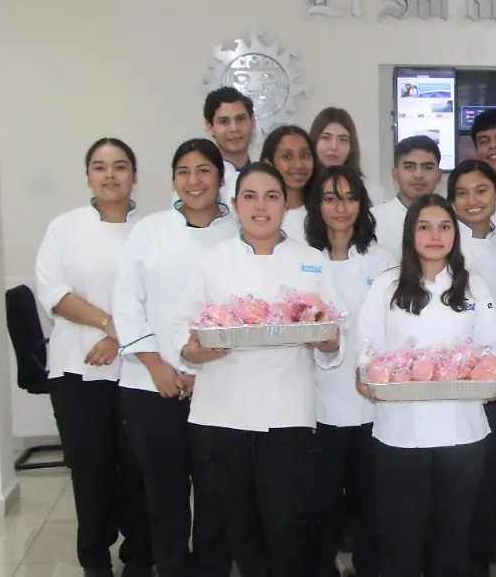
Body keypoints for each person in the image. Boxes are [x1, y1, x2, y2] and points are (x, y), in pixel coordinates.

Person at [171, 162, 344, 577]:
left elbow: (334, 333)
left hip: (288, 411)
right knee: (240, 525)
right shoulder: (212, 262)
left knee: (287, 524)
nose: (261, 206)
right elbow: (182, 330)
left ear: (287, 204)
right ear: (234, 204)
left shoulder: (312, 261)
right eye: (250, 196)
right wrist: (193, 352)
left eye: (272, 196)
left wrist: (327, 341)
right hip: (224, 412)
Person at [355, 194, 496, 577]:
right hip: (400, 434)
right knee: (400, 538)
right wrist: (367, 376)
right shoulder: (387, 286)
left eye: (444, 226)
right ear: (409, 235)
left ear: (455, 234)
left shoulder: (474, 288)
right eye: (424, 226)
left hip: (463, 432)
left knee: (454, 537)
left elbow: (490, 352)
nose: (435, 235)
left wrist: (489, 379)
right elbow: (367, 350)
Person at [113, 139, 237, 577]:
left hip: (220, 386)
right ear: (173, 180)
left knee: (215, 494)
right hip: (153, 384)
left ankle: (212, 568)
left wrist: (207, 371)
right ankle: (170, 568)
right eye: (183, 171)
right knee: (163, 494)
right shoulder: (149, 230)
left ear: (221, 178)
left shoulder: (240, 231)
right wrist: (158, 366)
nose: (194, 180)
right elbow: (127, 302)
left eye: (204, 170)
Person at [34, 137, 153, 577]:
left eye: (120, 166)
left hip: (140, 369)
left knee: (138, 469)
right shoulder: (64, 227)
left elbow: (157, 297)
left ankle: (141, 556)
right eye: (100, 167)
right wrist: (111, 326)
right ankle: (94, 558)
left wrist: (121, 339)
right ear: (88, 175)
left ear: (134, 175)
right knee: (91, 469)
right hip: (76, 369)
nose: (110, 175)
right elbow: (55, 294)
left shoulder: (151, 229)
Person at [303, 166, 394, 577]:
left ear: (362, 203)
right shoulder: (301, 260)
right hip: (315, 402)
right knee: (320, 505)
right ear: (316, 205)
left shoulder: (384, 260)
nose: (340, 207)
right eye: (329, 197)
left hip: (373, 405)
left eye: (349, 196)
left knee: (372, 504)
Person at [447, 159, 496, 577]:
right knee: (461, 474)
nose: (473, 201)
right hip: (455, 375)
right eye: (462, 193)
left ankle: (482, 553)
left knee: (491, 470)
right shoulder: (444, 241)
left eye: (481, 191)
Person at [372, 136, 444, 262]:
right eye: (409, 167)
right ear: (395, 174)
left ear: (439, 175)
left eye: (427, 167)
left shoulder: (451, 220)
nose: (418, 175)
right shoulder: (373, 220)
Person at [309, 106, 388, 205]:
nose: (334, 147)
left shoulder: (371, 191)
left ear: (352, 146)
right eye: (326, 138)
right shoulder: (301, 189)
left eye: (343, 140)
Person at [260, 125, 318, 242]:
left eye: (305, 155)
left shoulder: (326, 213)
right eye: (287, 156)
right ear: (268, 163)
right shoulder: (258, 215)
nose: (298, 165)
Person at [200, 86, 256, 205]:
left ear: (253, 122)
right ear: (210, 128)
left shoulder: (268, 178)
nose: (234, 129)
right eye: (224, 121)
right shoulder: (198, 184)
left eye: (240, 119)